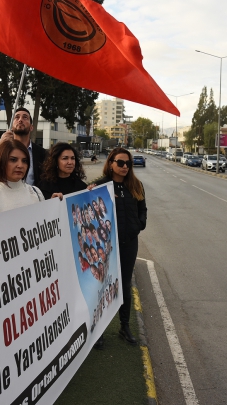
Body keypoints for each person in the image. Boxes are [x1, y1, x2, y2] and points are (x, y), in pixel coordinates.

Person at [93, 147, 147, 348]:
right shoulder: (100, 186)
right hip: (106, 245)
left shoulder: (136, 185)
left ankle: (124, 326)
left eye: (128, 164)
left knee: (124, 284)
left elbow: (143, 209)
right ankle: (98, 331)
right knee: (102, 285)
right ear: (111, 163)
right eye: (120, 163)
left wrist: (138, 225)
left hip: (129, 242)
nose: (125, 167)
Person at [0, 139, 44, 218]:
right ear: (2, 162)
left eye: (24, 161)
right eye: (13, 160)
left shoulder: (36, 193)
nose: (20, 165)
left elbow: (43, 223)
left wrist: (53, 204)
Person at [0, 107, 47, 186]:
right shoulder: (4, 148)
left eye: (25, 117)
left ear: (31, 127)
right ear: (12, 127)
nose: (20, 120)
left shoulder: (42, 153)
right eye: (17, 117)